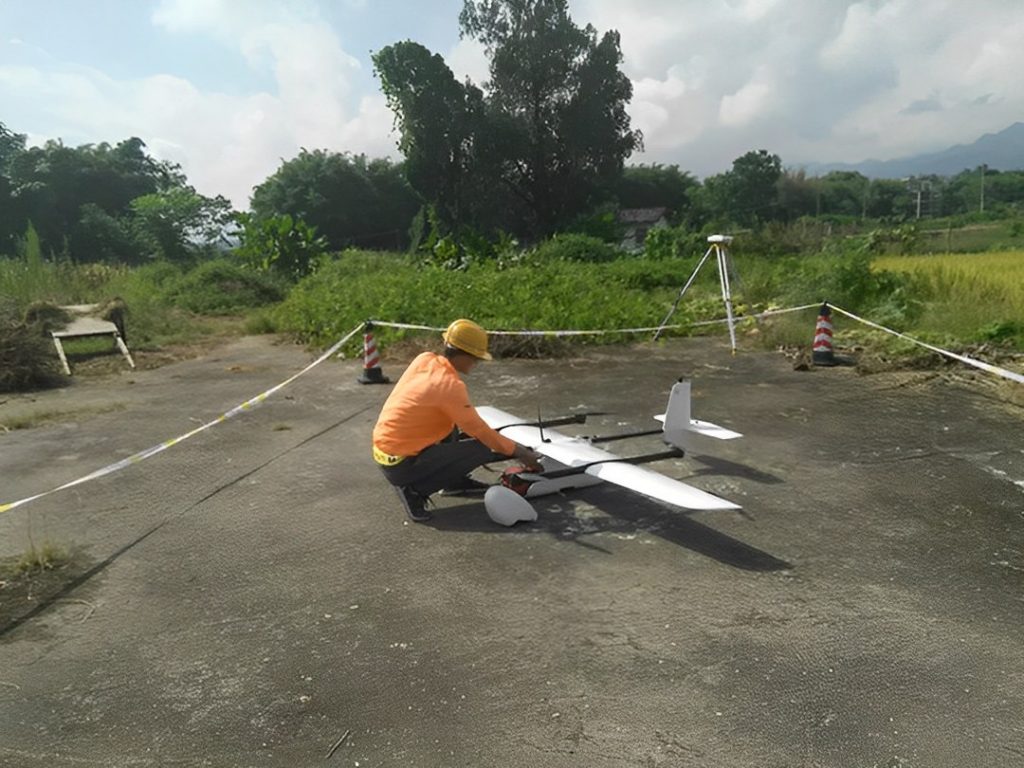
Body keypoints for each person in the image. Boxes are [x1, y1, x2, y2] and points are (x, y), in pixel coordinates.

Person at [372, 319, 543, 522]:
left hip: (386, 452)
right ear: (464, 354)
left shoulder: (425, 360)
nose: (476, 363)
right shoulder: (449, 386)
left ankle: (453, 481)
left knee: (451, 426)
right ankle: (414, 491)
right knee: (481, 449)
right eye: (475, 358)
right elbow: (480, 431)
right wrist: (520, 452)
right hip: (401, 465)